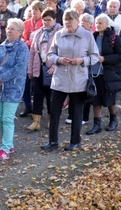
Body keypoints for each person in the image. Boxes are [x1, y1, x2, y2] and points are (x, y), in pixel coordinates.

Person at [41, 9, 100, 152]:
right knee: (54, 111)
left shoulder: (87, 35)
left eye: (70, 19)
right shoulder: (59, 34)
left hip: (78, 78)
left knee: (76, 112)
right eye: (65, 19)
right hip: (60, 78)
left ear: (77, 20)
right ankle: (53, 141)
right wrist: (59, 59)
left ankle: (75, 141)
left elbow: (95, 56)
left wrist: (81, 60)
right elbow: (50, 55)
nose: (67, 22)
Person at [0, 18, 29, 160]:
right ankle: (8, 143)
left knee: (7, 118)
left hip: (13, 88)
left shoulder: (22, 48)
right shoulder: (2, 46)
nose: (9, 31)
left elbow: (18, 68)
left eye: (12, 29)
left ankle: (5, 149)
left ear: (20, 32)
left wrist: (1, 78)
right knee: (0, 118)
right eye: (8, 28)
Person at [85, 14, 121, 134]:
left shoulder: (114, 38)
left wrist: (105, 59)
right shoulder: (93, 36)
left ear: (107, 24)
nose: (97, 25)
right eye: (96, 23)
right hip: (94, 72)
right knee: (95, 98)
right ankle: (97, 124)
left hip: (108, 74)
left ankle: (113, 119)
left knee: (109, 97)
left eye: (100, 23)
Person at [26, 8, 61, 132]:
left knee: (51, 95)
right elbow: (33, 51)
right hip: (38, 67)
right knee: (37, 94)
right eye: (44, 20)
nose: (46, 22)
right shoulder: (39, 32)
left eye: (49, 20)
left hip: (52, 68)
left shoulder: (60, 32)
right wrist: (30, 69)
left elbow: (62, 52)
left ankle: (52, 120)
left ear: (54, 20)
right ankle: (36, 121)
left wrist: (55, 66)